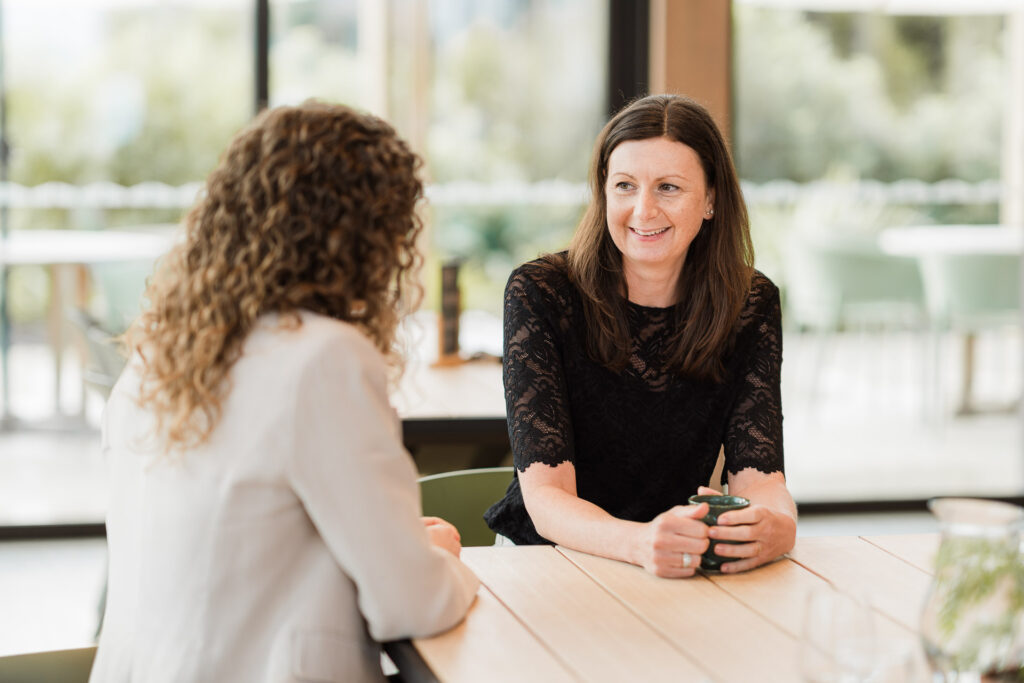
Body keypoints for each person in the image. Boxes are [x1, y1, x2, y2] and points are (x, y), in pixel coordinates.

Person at [90, 102, 479, 683]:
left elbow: (245, 548)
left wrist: (397, 549)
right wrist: (441, 560)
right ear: (366, 238)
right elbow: (411, 602)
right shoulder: (324, 358)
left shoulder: (156, 356)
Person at [484, 94, 796, 577]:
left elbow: (760, 479)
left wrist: (778, 525)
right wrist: (640, 542)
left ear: (711, 200)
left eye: (668, 188)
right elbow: (546, 497)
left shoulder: (749, 302)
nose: (643, 210)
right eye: (625, 186)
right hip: (545, 560)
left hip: (673, 560)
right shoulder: (541, 291)